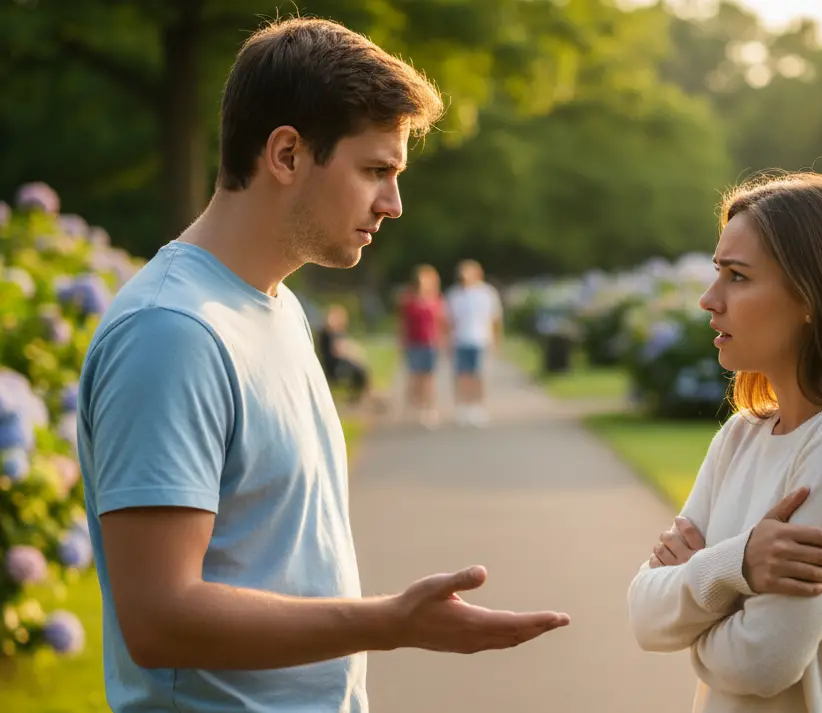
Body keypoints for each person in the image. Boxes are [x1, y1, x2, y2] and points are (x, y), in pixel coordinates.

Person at [76, 17, 569, 713]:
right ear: (286, 154)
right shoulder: (173, 331)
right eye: (376, 171)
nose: (394, 204)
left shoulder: (277, 309)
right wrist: (389, 621)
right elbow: (160, 617)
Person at [626, 172, 822, 713]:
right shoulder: (741, 436)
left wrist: (696, 590)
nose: (710, 300)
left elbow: (761, 662)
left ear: (812, 295)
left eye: (737, 277)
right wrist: (738, 565)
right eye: (717, 273)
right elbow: (642, 614)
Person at [445, 259, 503, 426]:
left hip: (481, 339)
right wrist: (447, 341)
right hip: (460, 339)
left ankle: (478, 406)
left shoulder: (487, 293)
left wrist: (497, 341)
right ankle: (463, 406)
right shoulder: (455, 294)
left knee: (479, 375)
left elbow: (495, 320)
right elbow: (449, 321)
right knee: (462, 375)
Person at [397, 264, 446, 427]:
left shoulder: (436, 300)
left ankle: (429, 409)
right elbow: (402, 323)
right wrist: (401, 341)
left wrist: (443, 341)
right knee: (414, 377)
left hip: (430, 343)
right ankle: (411, 408)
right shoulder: (408, 300)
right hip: (413, 343)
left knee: (428, 378)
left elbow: (441, 323)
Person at [319, 304, 373, 406]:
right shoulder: (327, 333)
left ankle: (361, 397)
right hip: (334, 367)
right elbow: (338, 349)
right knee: (360, 370)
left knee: (361, 369)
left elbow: (345, 344)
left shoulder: (337, 333)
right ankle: (363, 397)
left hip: (338, 364)